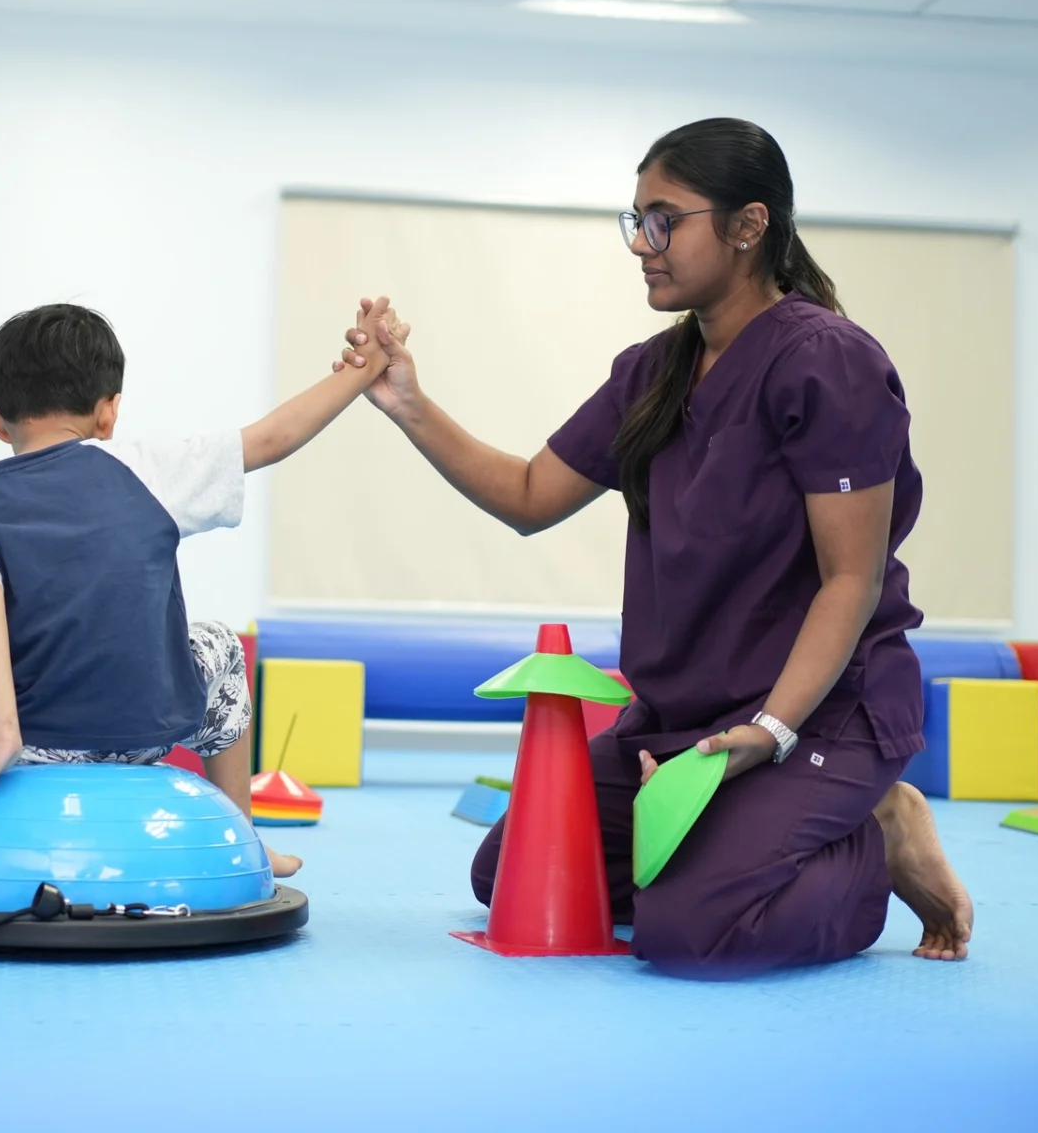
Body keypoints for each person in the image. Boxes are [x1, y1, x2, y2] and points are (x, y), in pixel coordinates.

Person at [337, 119, 972, 973]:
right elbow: (528, 496)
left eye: (665, 219)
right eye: (636, 219)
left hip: (820, 713)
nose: (643, 244)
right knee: (512, 872)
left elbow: (851, 581)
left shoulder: (829, 365)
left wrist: (769, 730)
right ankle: (758, 838)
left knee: (689, 932)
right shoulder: (652, 372)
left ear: (749, 226)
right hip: (682, 721)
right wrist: (406, 400)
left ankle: (873, 840)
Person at [0, 298, 401, 879]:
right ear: (109, 412)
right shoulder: (149, 467)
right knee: (221, 644)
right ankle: (242, 835)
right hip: (141, 735)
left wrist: (2, 738)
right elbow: (276, 437)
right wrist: (365, 365)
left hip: (27, 745)